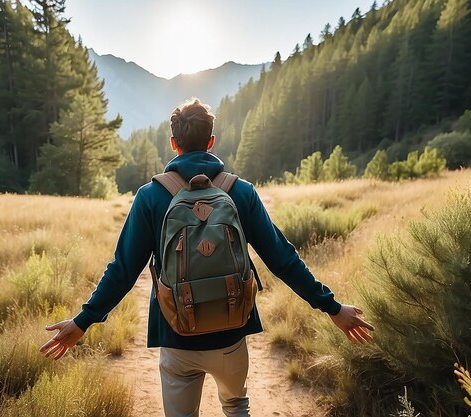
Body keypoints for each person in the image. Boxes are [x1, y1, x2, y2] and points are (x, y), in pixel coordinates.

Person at [39, 98, 374, 417]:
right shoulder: (241, 192)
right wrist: (332, 307)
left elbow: (123, 270)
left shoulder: (150, 196)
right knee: (236, 405)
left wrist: (82, 322)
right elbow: (282, 258)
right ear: (211, 141)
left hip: (176, 335)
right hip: (231, 334)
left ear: (173, 144)